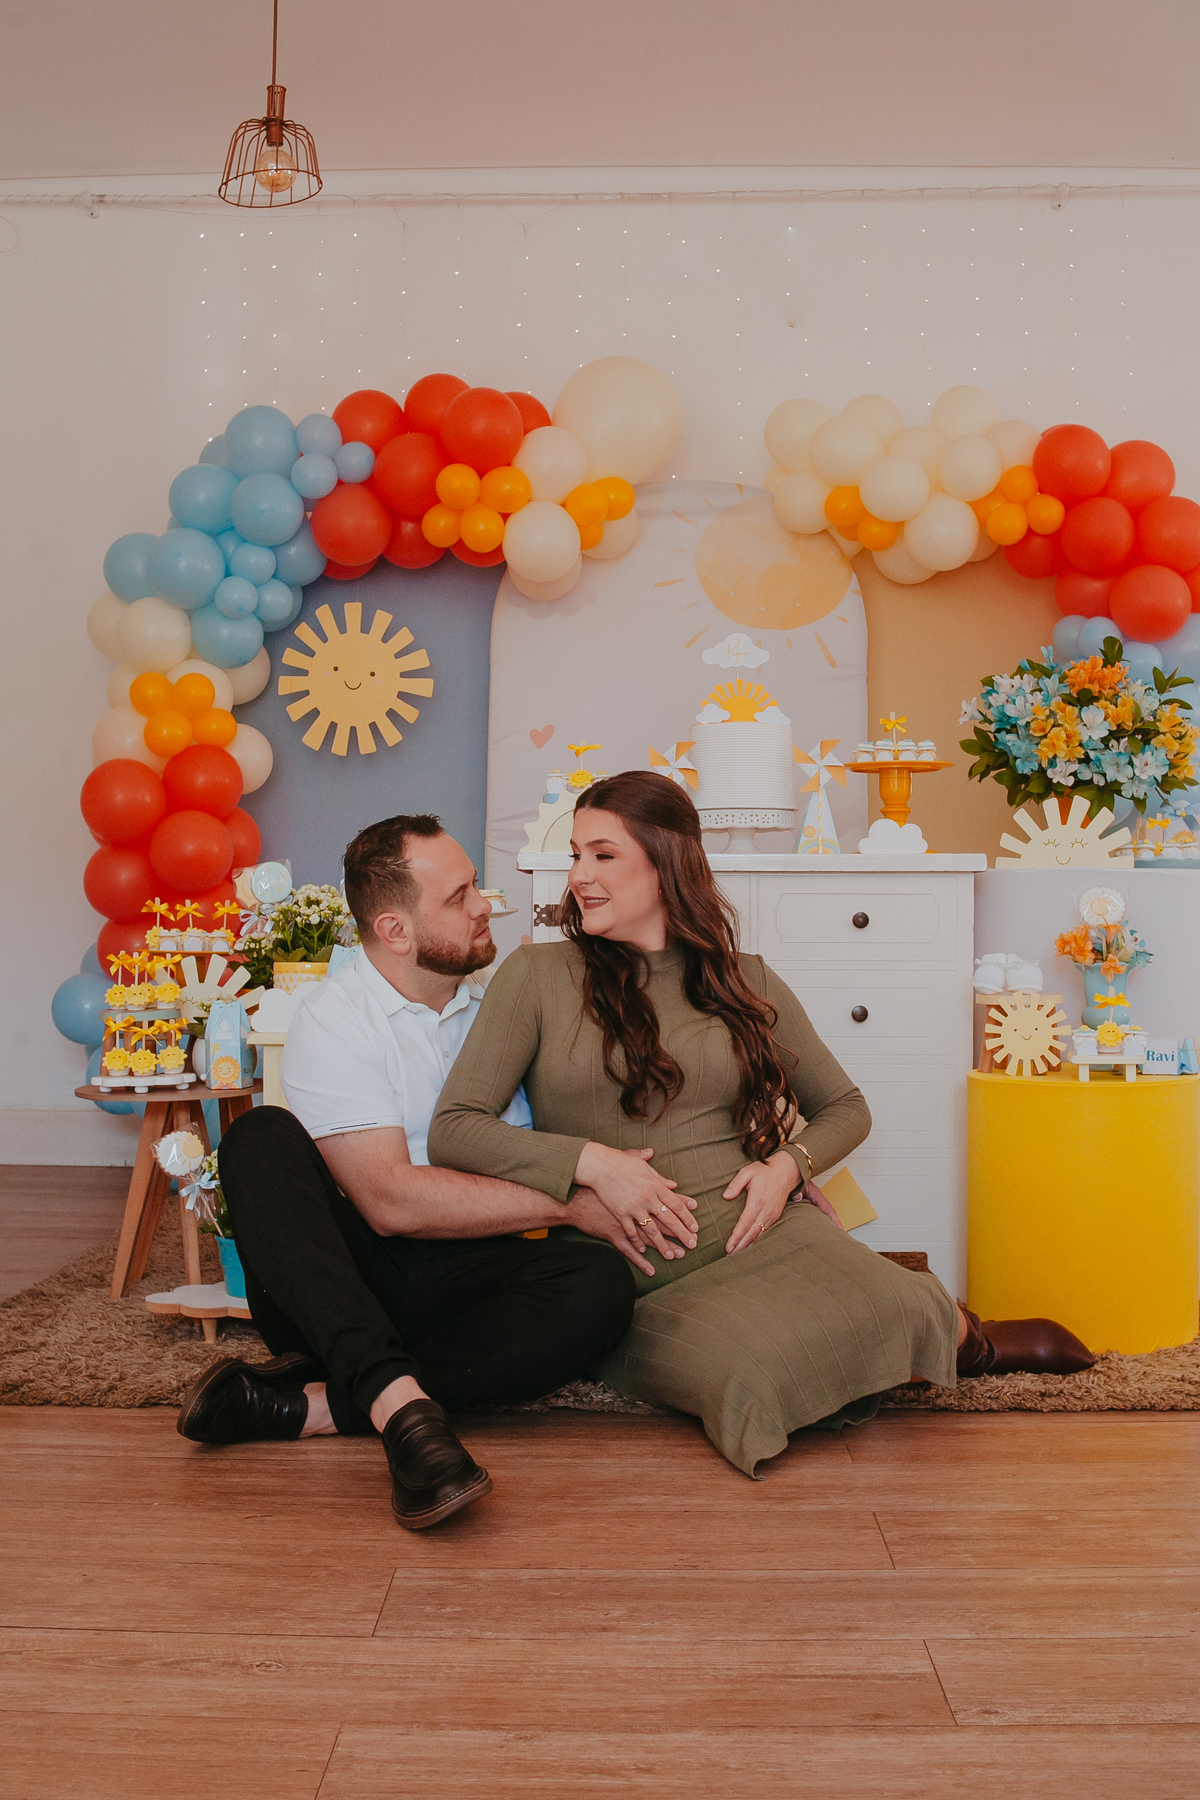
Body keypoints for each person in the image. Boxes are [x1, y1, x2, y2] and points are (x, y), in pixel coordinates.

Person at [428, 771, 1095, 1476]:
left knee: (900, 1303)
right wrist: (592, 1163)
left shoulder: (741, 979)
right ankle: (919, 1339)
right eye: (575, 855)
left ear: (666, 863)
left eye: (602, 855)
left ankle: (971, 1341)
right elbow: (457, 1127)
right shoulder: (535, 977)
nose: (579, 877)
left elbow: (847, 1108)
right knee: (747, 1376)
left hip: (763, 1231)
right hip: (635, 1270)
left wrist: (787, 1168)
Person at [176, 815, 655, 1530]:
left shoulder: (501, 1004)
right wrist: (565, 1204)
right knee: (259, 1139)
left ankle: (317, 1404)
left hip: (476, 1272)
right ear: (397, 931)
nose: (484, 905)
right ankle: (408, 1426)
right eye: (460, 896)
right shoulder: (335, 1019)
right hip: (350, 1282)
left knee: (600, 1289)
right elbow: (388, 1202)